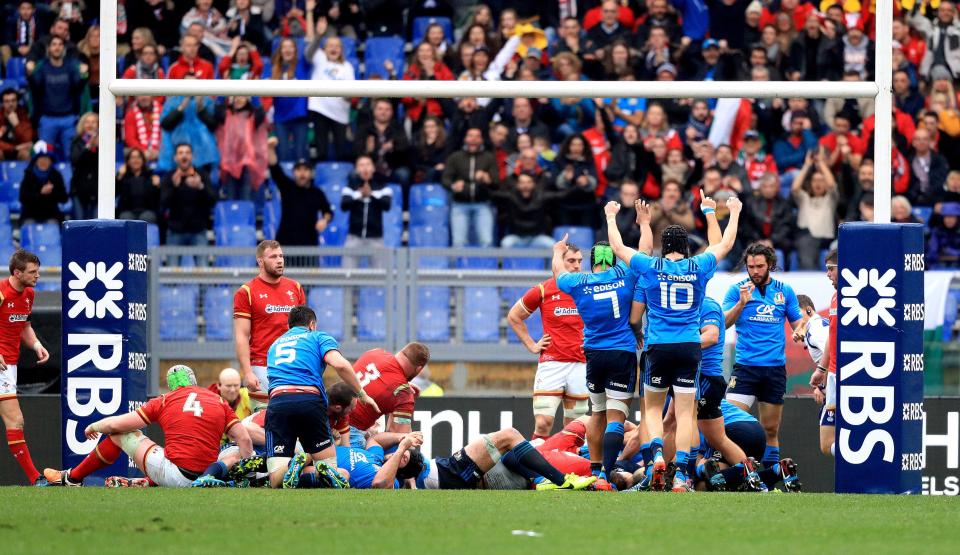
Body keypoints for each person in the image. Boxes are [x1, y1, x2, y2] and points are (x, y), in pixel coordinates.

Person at [607, 191, 743, 492]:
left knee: (653, 410)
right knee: (684, 414)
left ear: (662, 246)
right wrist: (729, 212)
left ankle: (656, 455)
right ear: (686, 248)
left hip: (658, 346)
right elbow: (725, 244)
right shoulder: (699, 267)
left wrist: (610, 216)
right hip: (689, 347)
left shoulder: (650, 266)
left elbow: (617, 246)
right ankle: (681, 475)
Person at [553, 208, 650, 480]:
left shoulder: (578, 282)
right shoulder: (625, 275)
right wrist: (644, 224)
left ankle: (595, 471)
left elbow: (559, 273)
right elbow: (644, 254)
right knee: (617, 416)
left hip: (594, 354)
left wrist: (557, 251)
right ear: (612, 260)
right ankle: (609, 471)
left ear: (592, 262)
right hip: (621, 353)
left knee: (597, 413)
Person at [44, 365, 255, 487]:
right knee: (234, 450)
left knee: (120, 435)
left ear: (172, 385)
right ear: (194, 381)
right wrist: (249, 474)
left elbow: (117, 424)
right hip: (207, 474)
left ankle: (73, 478)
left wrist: (94, 425)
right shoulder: (217, 401)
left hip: (177, 475)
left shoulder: (164, 400)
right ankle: (246, 479)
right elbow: (244, 439)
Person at [263, 305, 378, 489]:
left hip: (278, 402)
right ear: (312, 324)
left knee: (276, 480)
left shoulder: (274, 346)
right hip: (310, 400)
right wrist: (362, 393)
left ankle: (295, 464)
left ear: (289, 326)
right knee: (331, 470)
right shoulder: (317, 336)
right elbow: (340, 365)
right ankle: (309, 468)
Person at [723, 241, 807, 473]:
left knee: (770, 429)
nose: (755, 271)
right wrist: (741, 304)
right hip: (746, 368)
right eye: (750, 267)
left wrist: (800, 330)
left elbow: (797, 321)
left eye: (759, 266)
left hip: (774, 370)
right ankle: (731, 471)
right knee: (728, 423)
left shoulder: (784, 291)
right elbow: (723, 324)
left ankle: (770, 479)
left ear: (769, 264)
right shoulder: (737, 290)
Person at [507, 243, 587, 440]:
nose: (577, 266)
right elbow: (514, 316)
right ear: (559, 261)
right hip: (552, 365)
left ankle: (568, 469)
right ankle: (535, 469)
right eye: (571, 261)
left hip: (581, 364)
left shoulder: (588, 287)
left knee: (575, 429)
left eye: (579, 261)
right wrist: (532, 345)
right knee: (543, 423)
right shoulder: (543, 290)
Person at [398, 425, 595, 491]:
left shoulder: (414, 465)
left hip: (452, 470)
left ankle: (544, 480)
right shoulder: (383, 469)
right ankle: (561, 480)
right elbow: (383, 481)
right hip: (452, 472)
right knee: (510, 436)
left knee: (510, 450)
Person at [233, 240, 306, 405]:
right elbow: (242, 336)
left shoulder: (295, 287)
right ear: (260, 261)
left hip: (293, 366)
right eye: (273, 257)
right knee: (265, 421)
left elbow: (304, 332)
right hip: (262, 365)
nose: (279, 260)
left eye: (281, 256)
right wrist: (247, 372)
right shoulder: (246, 292)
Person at [1, 250, 51, 486]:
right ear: (17, 272)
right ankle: (36, 479)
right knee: (16, 420)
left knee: (15, 421)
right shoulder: (1, 292)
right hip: (1, 365)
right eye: (33, 272)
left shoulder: (29, 294)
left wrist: (37, 345)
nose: (38, 276)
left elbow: (23, 326)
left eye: (37, 271)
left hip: (10, 365)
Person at [347, 343, 431, 446]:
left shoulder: (375, 352)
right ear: (419, 369)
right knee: (405, 451)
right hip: (349, 433)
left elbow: (380, 378)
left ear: (400, 352)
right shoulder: (402, 392)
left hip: (328, 416)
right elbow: (401, 439)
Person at [26, 34, 86, 160]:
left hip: (68, 119)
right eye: (54, 45)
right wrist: (30, 74)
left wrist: (83, 75)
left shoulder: (70, 67)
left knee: (72, 157)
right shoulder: (43, 67)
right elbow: (35, 87)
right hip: (47, 119)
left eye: (60, 45)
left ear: (63, 48)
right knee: (43, 157)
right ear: (49, 48)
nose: (57, 47)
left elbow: (77, 87)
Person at [306, 13, 354, 161]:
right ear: (325, 48)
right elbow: (308, 53)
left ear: (341, 50)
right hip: (320, 109)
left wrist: (348, 97)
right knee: (321, 150)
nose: (334, 49)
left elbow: (350, 93)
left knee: (341, 150)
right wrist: (319, 35)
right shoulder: (320, 58)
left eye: (337, 46)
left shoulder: (347, 67)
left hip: (339, 113)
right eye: (330, 46)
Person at [266, 137, 332, 246]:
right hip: (285, 244)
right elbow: (275, 168)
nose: (302, 174)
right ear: (293, 172)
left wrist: (324, 220)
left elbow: (328, 212)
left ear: (311, 173)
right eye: (298, 170)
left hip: (309, 246)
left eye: (306, 170)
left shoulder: (317, 192)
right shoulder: (287, 187)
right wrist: (270, 149)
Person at [442, 127, 499, 248]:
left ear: (481, 140)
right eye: (470, 136)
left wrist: (487, 179)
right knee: (458, 242)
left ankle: (486, 266)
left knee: (486, 241)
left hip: (483, 204)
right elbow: (445, 179)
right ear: (465, 139)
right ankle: (457, 267)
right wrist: (453, 186)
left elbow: (496, 182)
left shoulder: (489, 157)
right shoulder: (455, 157)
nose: (473, 139)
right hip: (459, 204)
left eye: (477, 136)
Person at [160, 143, 216, 259]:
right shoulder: (169, 177)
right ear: (175, 158)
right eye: (180, 153)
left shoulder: (202, 175)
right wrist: (174, 187)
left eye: (187, 153)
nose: (184, 156)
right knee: (170, 274)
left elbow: (213, 200)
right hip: (175, 230)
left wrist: (200, 186)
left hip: (198, 230)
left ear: (192, 156)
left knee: (203, 271)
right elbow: (163, 204)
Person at [810, 250, 839, 458]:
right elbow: (832, 334)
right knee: (825, 443)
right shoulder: (836, 296)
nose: (827, 275)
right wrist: (822, 368)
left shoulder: (856, 297)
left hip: (849, 376)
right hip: (832, 374)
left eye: (831, 269)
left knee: (829, 441)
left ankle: (868, 466)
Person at [341, 155, 392, 267]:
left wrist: (371, 194)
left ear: (373, 168)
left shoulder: (383, 186)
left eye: (368, 164)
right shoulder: (350, 187)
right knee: (348, 276)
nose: (365, 168)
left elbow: (387, 205)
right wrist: (360, 194)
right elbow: (344, 205)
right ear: (356, 169)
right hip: (354, 236)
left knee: (380, 277)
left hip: (375, 238)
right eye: (361, 165)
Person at [214, 96, 268, 201]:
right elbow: (217, 111)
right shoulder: (227, 114)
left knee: (246, 197)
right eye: (236, 97)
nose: (238, 99)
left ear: (247, 99)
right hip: (230, 164)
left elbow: (260, 112)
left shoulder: (252, 116)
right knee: (231, 197)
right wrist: (222, 93)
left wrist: (253, 93)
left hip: (247, 163)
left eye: (242, 97)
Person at [19, 141, 68, 226]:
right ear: (36, 161)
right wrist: (40, 193)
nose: (43, 162)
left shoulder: (55, 175)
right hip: (30, 214)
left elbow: (64, 198)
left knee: (53, 226)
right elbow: (23, 198)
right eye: (41, 159)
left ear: (51, 161)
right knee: (28, 225)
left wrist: (52, 191)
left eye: (46, 159)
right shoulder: (29, 174)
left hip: (51, 214)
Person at [116, 148, 161, 223]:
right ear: (128, 161)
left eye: (138, 157)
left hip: (147, 211)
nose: (135, 160)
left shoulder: (151, 176)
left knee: (146, 218)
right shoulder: (123, 177)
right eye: (132, 157)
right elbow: (114, 194)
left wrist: (158, 186)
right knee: (126, 218)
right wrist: (119, 176)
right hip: (127, 211)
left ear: (143, 160)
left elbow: (158, 199)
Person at [68, 112, 98, 220]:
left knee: (98, 224)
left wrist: (97, 147)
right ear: (82, 125)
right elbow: (75, 160)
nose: (90, 125)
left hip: (97, 189)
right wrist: (87, 148)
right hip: (79, 189)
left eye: (94, 122)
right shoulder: (76, 141)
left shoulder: (105, 142)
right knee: (79, 224)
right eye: (87, 122)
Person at [123, 96, 163, 163]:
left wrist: (159, 150)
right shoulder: (130, 114)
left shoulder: (162, 110)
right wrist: (143, 151)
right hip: (140, 154)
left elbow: (166, 134)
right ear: (136, 97)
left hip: (160, 152)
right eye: (141, 95)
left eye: (146, 94)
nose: (144, 97)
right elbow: (130, 138)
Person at [0, 88, 34, 161]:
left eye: (13, 100)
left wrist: (17, 125)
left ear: (17, 102)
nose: (11, 104)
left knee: (26, 154)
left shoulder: (23, 114)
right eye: (7, 101)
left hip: (20, 150)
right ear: (2, 103)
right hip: (5, 149)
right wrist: (13, 148)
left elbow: (28, 140)